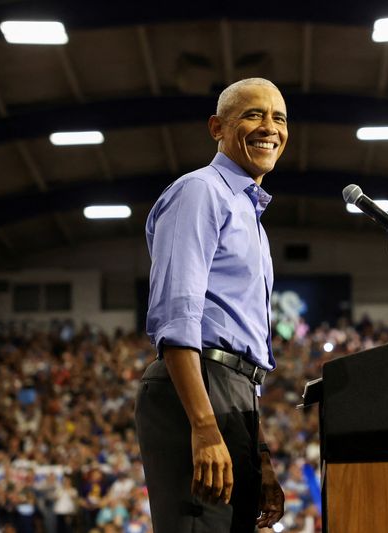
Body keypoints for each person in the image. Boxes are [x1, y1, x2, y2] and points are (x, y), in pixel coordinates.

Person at [136, 78, 288, 532]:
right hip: (199, 385)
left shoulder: (250, 215)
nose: (269, 128)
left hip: (236, 393)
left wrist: (259, 454)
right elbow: (177, 316)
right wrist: (203, 427)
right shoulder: (200, 191)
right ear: (217, 127)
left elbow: (246, 353)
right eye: (253, 114)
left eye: (279, 118)